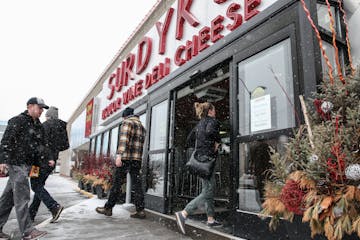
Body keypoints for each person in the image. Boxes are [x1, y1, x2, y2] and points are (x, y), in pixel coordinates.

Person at [0, 97, 50, 240]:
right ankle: (27, 231)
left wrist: (36, 167)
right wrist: (2, 161)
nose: (41, 111)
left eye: (42, 109)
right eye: (39, 107)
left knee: (7, 199)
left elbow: (38, 149)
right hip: (15, 163)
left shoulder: (38, 126)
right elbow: (5, 142)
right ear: (29, 107)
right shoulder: (17, 121)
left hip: (27, 165)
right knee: (22, 196)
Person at [175, 102, 222, 235]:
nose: (215, 112)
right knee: (209, 189)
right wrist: (217, 142)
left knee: (207, 189)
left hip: (199, 161)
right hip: (207, 160)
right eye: (214, 110)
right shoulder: (212, 121)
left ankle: (211, 219)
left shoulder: (199, 123)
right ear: (210, 111)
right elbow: (211, 132)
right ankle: (184, 213)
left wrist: (200, 147)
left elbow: (189, 139)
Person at [96, 107, 146, 218]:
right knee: (137, 185)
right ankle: (140, 210)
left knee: (117, 183)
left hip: (126, 158)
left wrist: (119, 155)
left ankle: (108, 208)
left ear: (125, 116)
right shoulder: (141, 127)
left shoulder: (127, 122)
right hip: (136, 159)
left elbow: (124, 140)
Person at [29, 106, 68, 223]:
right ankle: (31, 214)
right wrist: (54, 152)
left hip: (38, 162)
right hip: (51, 162)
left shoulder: (45, 126)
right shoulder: (62, 128)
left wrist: (46, 154)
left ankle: (54, 206)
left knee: (35, 186)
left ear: (48, 116)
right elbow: (65, 145)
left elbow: (41, 144)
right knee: (39, 186)